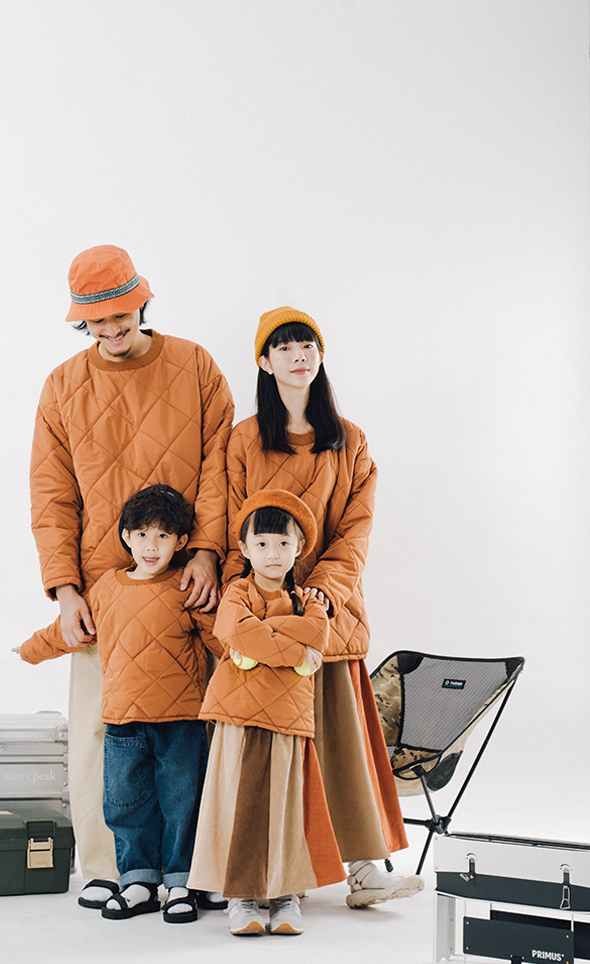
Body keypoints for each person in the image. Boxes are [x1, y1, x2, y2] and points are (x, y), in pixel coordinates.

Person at [28, 244, 234, 904]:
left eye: (121, 317)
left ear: (143, 304)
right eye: (97, 323)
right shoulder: (63, 385)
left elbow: (220, 468)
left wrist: (206, 551)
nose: (111, 331)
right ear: (81, 322)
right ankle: (107, 867)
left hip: (186, 586)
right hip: (100, 592)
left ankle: (192, 870)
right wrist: (65, 589)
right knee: (101, 731)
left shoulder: (195, 366)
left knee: (192, 732)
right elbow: (52, 496)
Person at [223, 306, 423, 909]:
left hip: (328, 615)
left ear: (320, 355)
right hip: (262, 616)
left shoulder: (350, 441)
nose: (298, 356)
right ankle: (274, 875)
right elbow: (230, 525)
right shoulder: (243, 439)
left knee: (342, 745)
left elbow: (355, 533)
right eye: (283, 347)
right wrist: (257, 600)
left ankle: (365, 871)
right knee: (269, 751)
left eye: (307, 345)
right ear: (264, 362)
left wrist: (319, 596)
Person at [16, 485, 220, 923]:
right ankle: (138, 880)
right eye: (142, 535)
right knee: (127, 806)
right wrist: (31, 649)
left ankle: (181, 882)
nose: (151, 546)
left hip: (180, 722)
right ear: (126, 536)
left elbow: (219, 638)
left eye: (163, 536)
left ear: (182, 541)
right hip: (123, 723)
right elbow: (71, 630)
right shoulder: (108, 587)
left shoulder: (185, 587)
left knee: (182, 804)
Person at [188, 489, 342, 936]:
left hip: (289, 717)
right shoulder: (237, 592)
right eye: (261, 544)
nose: (272, 554)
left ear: (299, 548)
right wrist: (293, 652)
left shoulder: (310, 602)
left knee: (285, 805)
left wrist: (259, 642)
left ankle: (285, 893)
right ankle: (242, 895)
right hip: (239, 714)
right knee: (239, 803)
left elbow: (316, 634)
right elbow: (234, 630)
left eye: (283, 543)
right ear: (244, 548)